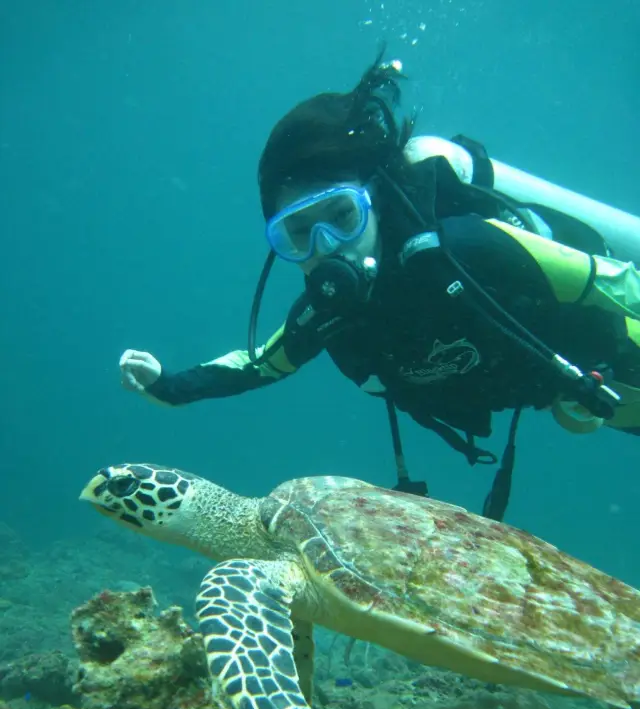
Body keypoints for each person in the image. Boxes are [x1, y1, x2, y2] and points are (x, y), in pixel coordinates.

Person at [120, 50, 640, 520]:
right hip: (573, 395)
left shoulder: (473, 249)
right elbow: (259, 365)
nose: (326, 247)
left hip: (617, 360)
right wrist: (170, 386)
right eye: (297, 235)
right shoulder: (327, 317)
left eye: (342, 217)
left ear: (374, 200)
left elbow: (618, 283)